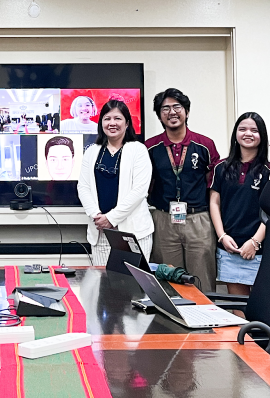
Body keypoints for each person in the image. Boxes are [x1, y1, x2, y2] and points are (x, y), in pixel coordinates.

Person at [146, 88, 220, 292]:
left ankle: (206, 321)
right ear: (159, 115)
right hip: (163, 220)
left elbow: (213, 182)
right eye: (165, 108)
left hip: (199, 220)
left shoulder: (205, 145)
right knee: (169, 280)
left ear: (186, 111)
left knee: (202, 279)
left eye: (177, 107)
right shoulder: (150, 147)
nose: (172, 112)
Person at [77, 100, 153, 266]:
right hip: (101, 231)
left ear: (127, 123)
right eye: (107, 118)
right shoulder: (91, 151)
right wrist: (97, 216)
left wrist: (111, 218)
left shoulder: (138, 150)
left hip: (134, 232)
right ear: (101, 123)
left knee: (135, 286)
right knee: (104, 285)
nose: (112, 123)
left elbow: (140, 191)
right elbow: (83, 187)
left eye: (117, 118)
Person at [209, 113, 270, 302]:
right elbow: (214, 202)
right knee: (238, 306)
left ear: (262, 135)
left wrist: (255, 242)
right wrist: (222, 236)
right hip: (229, 246)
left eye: (254, 130)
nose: (248, 134)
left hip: (259, 248)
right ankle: (243, 334)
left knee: (262, 306)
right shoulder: (221, 167)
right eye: (242, 129)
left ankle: (257, 334)